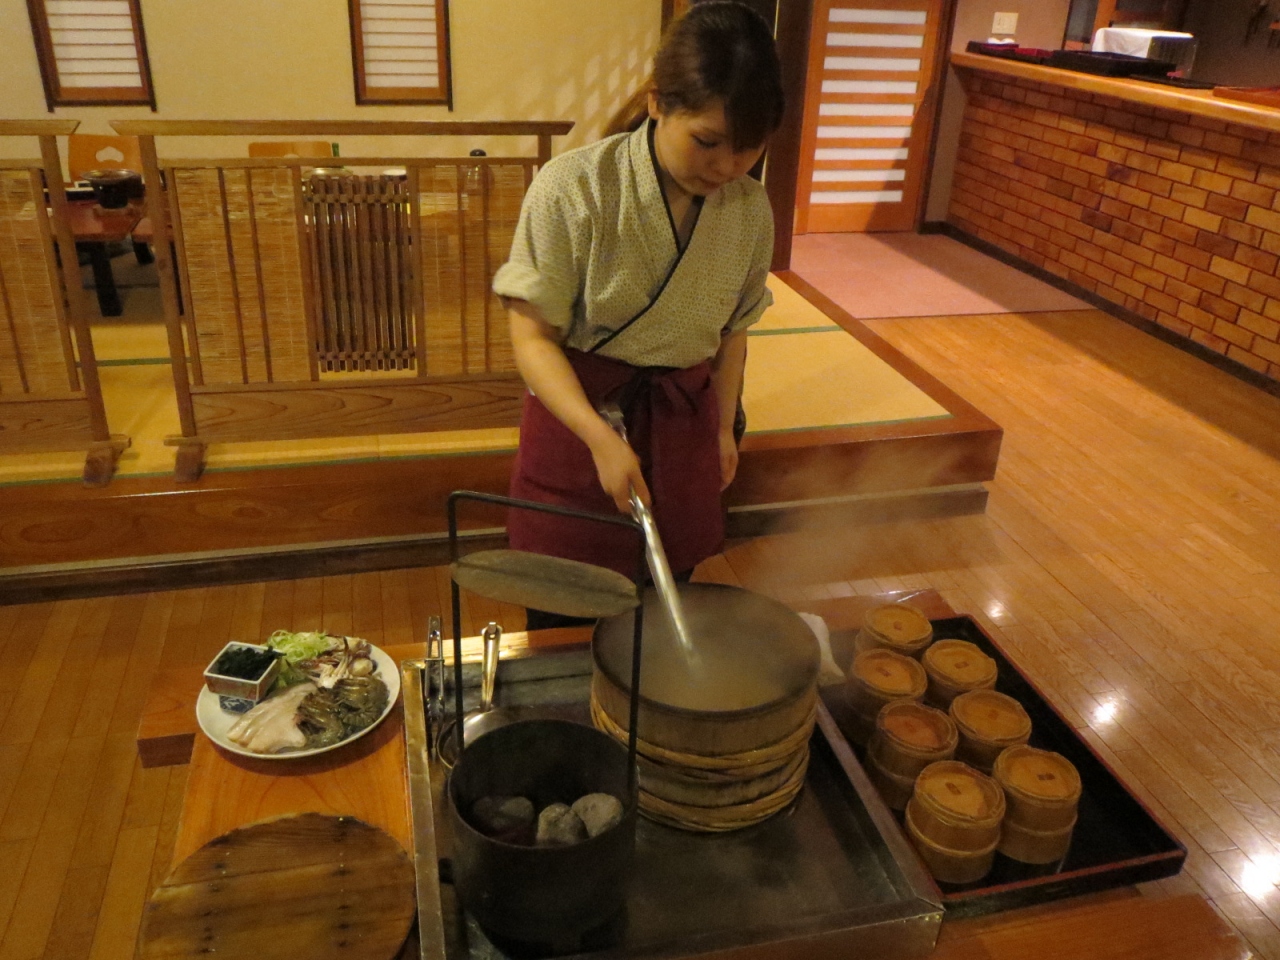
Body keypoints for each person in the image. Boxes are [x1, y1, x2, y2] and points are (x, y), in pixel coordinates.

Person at [492, 1, 784, 626]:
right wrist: (600, 438)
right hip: (581, 419)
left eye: (748, 148)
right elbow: (532, 338)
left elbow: (733, 332)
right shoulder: (572, 187)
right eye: (707, 141)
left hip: (682, 427)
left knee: (662, 613)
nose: (727, 167)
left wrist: (721, 430)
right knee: (563, 610)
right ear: (657, 102)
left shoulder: (749, 210)